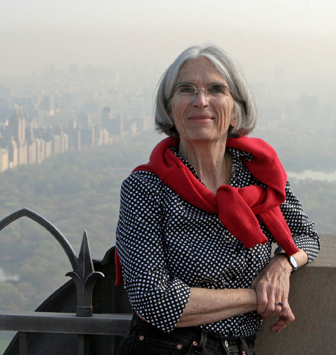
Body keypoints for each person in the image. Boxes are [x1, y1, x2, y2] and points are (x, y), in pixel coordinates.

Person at [115, 44, 320, 355]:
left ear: (235, 107)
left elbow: (307, 237)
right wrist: (258, 297)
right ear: (170, 107)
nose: (201, 101)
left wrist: (282, 264)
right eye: (186, 90)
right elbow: (151, 299)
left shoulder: (259, 175)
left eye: (215, 89)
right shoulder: (146, 187)